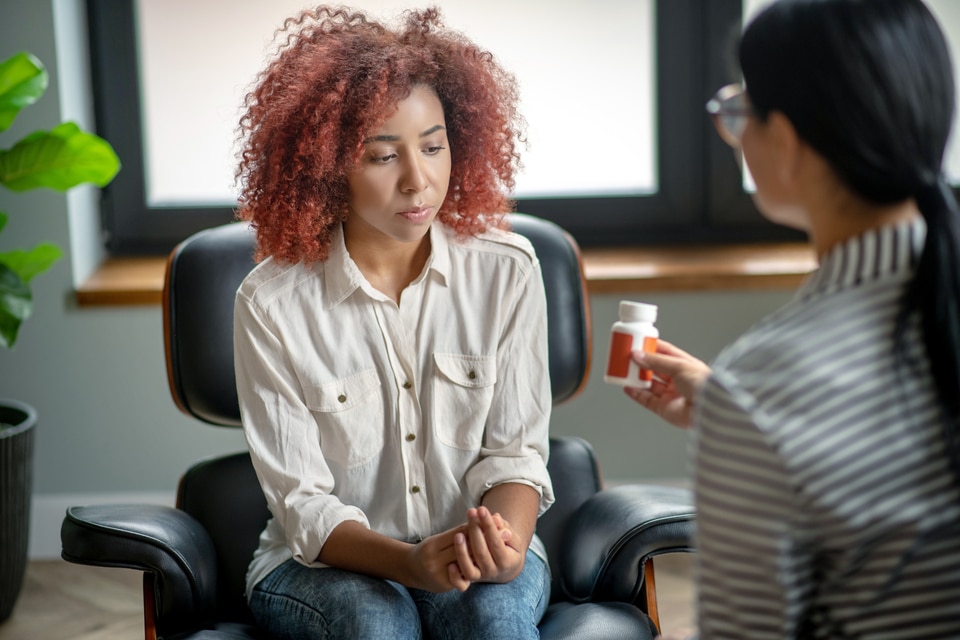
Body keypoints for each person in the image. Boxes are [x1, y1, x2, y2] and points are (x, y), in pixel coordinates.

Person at [626, 0, 960, 637]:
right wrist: (740, 426)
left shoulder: (764, 384)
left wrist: (743, 419)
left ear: (784, 141)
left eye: (741, 110)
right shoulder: (759, 396)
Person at [231, 6, 553, 639]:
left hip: (471, 548)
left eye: (433, 146)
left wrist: (505, 548)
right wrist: (409, 564)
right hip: (324, 566)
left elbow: (515, 454)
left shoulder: (508, 271)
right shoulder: (270, 304)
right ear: (328, 168)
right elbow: (303, 505)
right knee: (376, 619)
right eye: (382, 156)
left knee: (492, 618)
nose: (418, 181)